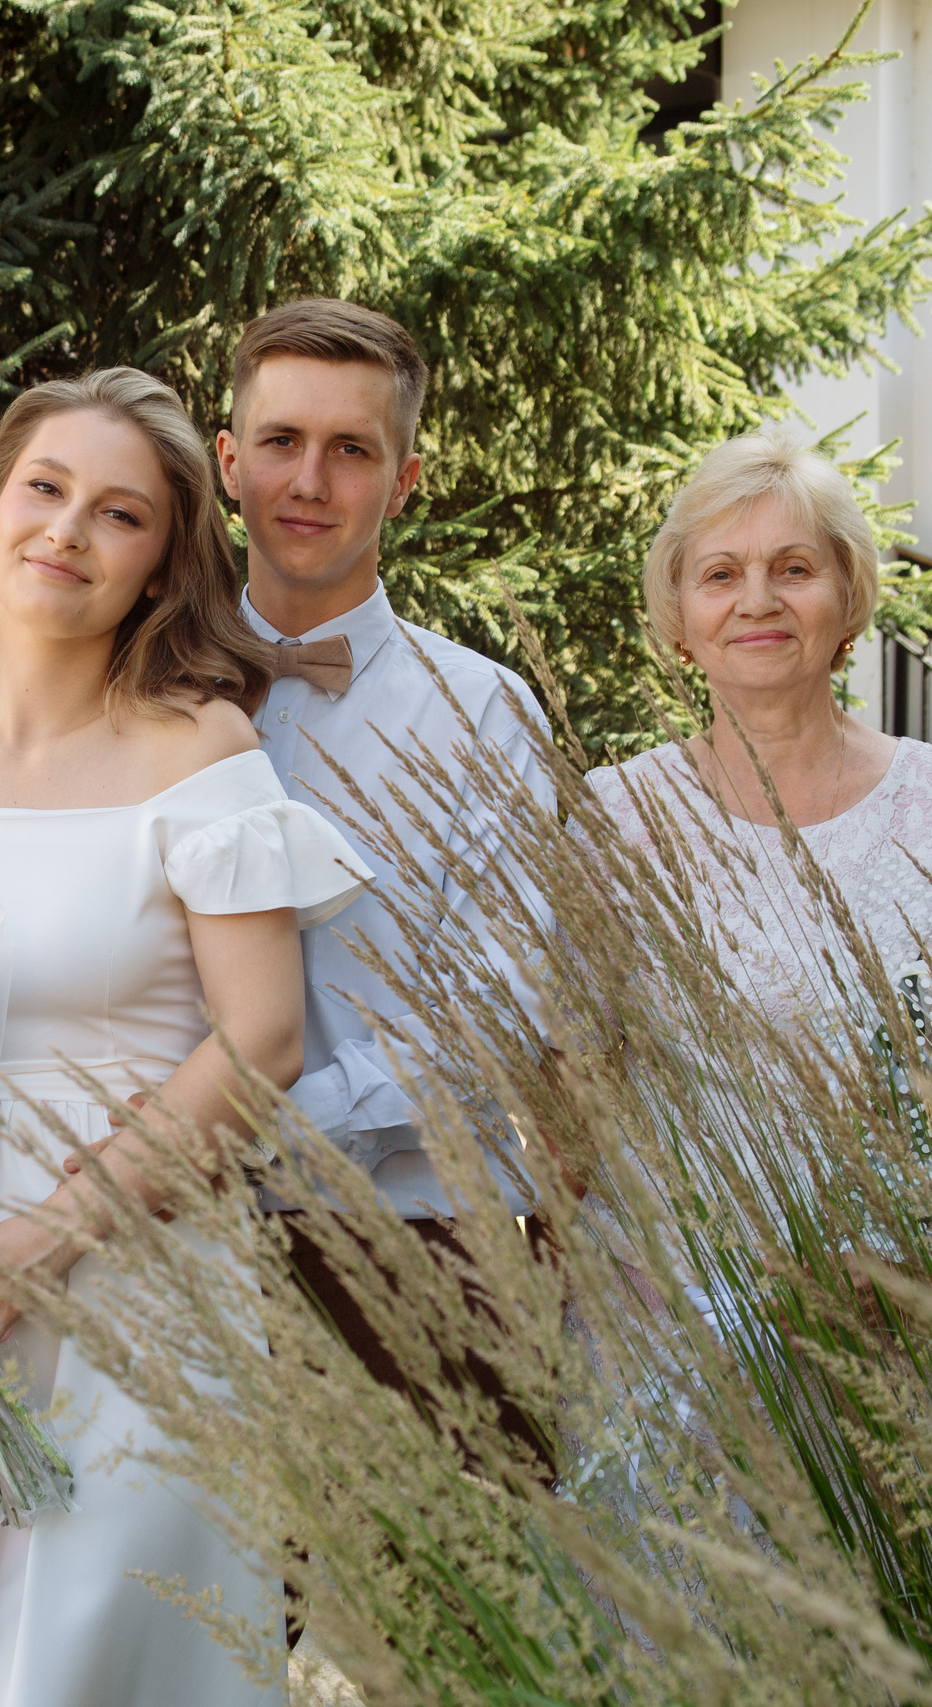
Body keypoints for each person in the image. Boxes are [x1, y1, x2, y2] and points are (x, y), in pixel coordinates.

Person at [0, 367, 369, 1705]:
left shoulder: (197, 752)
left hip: (131, 1286)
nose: (68, 531)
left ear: (158, 567)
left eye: (120, 514)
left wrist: (38, 1242)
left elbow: (260, 1040)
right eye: (45, 490)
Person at [213, 297, 561, 1408]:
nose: (309, 481)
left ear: (403, 482)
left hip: (417, 1257)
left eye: (350, 450)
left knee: (430, 1586)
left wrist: (245, 1141)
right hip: (164, 1255)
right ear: (228, 462)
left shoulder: (484, 714)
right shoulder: (134, 693)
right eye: (280, 442)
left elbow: (498, 1013)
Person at [583, 427, 932, 1019]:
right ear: (679, 611)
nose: (757, 601)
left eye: (794, 569)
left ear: (849, 594)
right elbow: (575, 1065)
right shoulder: (620, 813)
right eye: (721, 574)